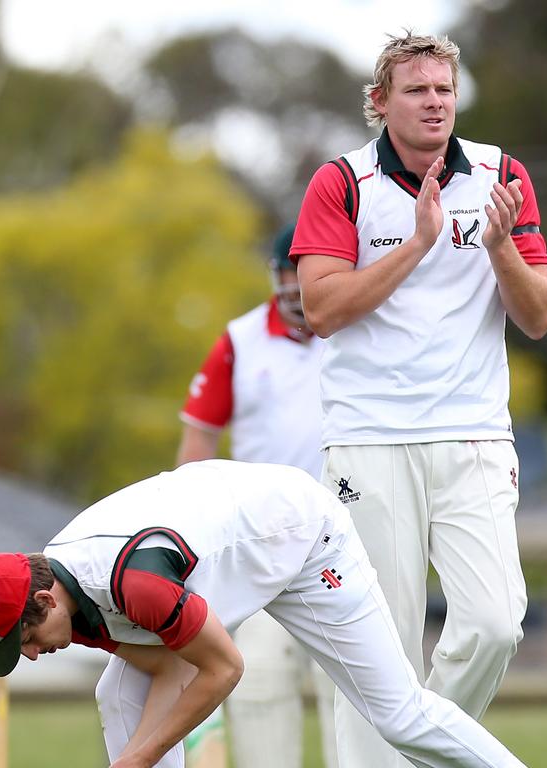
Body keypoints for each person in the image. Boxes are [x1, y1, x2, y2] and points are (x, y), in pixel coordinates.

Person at [289, 32, 547, 768]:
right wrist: (415, 245)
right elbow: (320, 310)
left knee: (496, 622)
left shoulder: (502, 174)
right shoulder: (340, 183)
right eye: (416, 90)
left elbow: (538, 316)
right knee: (378, 643)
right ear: (380, 104)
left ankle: (414, 755)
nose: (435, 101)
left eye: (444, 88)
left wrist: (501, 245)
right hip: (369, 441)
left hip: (474, 436)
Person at [0, 460, 530, 768]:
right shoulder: (66, 601)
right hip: (219, 552)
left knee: (399, 717)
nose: (31, 654)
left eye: (23, 639)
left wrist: (140, 757)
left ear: (42, 601)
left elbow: (223, 670)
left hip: (301, 538)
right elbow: (165, 668)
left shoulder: (131, 582)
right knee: (116, 695)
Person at [176, 224, 337, 768]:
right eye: (287, 279)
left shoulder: (358, 327)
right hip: (261, 543)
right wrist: (187, 529)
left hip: (347, 536)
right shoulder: (241, 340)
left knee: (355, 691)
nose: (296, 292)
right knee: (259, 681)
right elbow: (199, 433)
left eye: (306, 277)